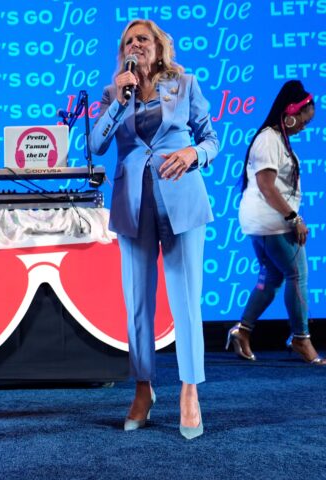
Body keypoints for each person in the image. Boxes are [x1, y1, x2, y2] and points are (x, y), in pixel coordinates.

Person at [89, 19, 219, 439]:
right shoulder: (115, 93)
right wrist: (118, 100)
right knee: (138, 303)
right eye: (128, 40)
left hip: (181, 199)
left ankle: (189, 390)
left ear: (160, 47)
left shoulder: (184, 83)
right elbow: (96, 146)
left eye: (143, 39)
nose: (136, 45)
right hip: (132, 204)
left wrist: (192, 154)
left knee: (185, 300)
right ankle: (143, 388)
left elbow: (211, 140)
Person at [226, 80, 323, 365]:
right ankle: (301, 338)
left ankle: (242, 330)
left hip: (261, 221)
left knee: (270, 279)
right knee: (298, 276)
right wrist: (294, 218)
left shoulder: (276, 139)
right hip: (273, 221)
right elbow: (267, 185)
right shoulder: (269, 139)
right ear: (291, 111)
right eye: (304, 120)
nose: (305, 126)